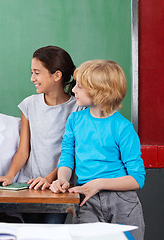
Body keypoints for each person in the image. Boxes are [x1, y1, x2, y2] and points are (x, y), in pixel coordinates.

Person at [0, 46, 83, 223]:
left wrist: (49, 179)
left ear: (57, 75)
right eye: (32, 72)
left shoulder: (78, 108)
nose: (32, 79)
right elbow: (24, 150)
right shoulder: (29, 105)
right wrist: (9, 176)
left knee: (50, 232)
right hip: (30, 186)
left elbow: (72, 153)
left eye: (37, 73)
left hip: (58, 188)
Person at [50, 60, 145, 240]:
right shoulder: (75, 121)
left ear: (99, 91)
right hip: (87, 200)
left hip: (122, 203)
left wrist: (99, 184)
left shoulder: (123, 128)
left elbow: (137, 178)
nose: (73, 90)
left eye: (79, 86)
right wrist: (62, 179)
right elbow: (67, 156)